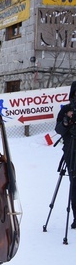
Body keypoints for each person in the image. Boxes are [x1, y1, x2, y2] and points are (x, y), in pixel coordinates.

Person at [54, 80, 76, 229]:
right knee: (75, 183)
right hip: (71, 151)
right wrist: (66, 122)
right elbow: (58, 130)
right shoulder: (66, 110)